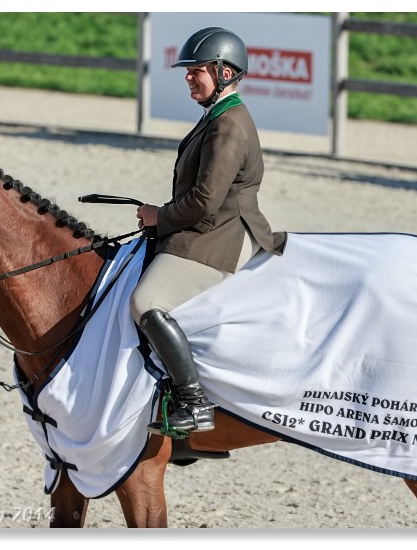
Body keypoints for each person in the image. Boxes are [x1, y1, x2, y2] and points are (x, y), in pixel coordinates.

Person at [131, 27, 286, 435]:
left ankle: (194, 402)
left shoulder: (230, 124)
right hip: (206, 228)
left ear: (225, 73)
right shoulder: (216, 116)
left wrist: (158, 217)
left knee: (146, 301)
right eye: (187, 70)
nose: (187, 77)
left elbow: (204, 201)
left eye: (196, 70)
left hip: (222, 236)